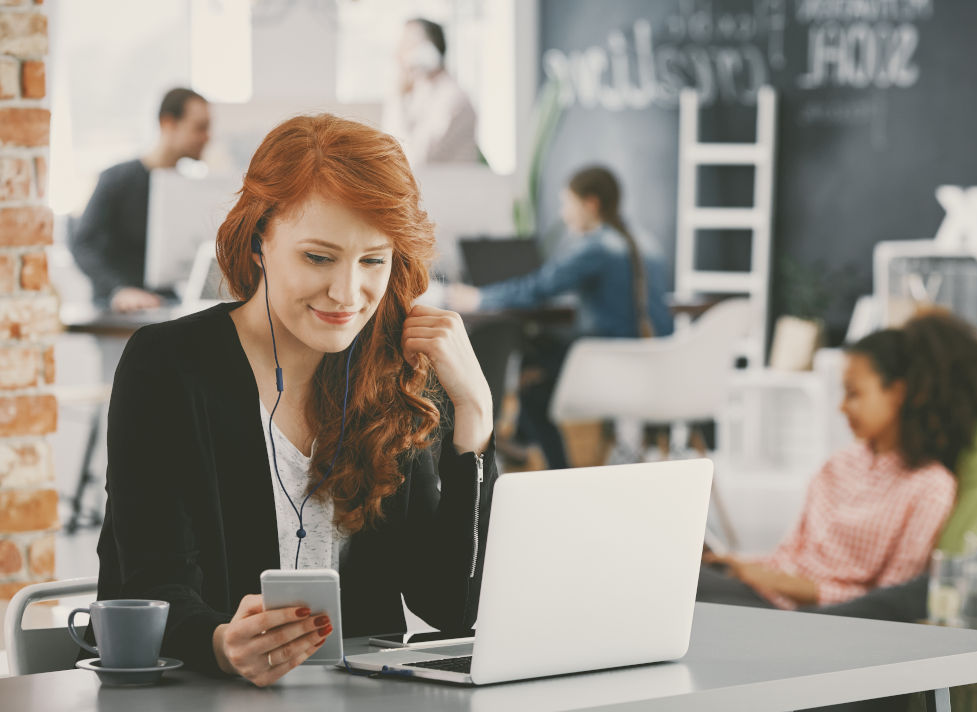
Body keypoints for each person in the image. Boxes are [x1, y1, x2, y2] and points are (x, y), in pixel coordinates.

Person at [92, 114, 497, 687]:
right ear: (259, 241)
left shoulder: (395, 371)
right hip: (201, 697)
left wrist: (474, 414)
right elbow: (151, 584)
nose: (346, 294)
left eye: (373, 260)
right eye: (319, 257)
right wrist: (219, 642)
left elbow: (452, 605)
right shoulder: (169, 365)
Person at [697, 311, 977, 610]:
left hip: (809, 614)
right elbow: (790, 554)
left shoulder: (929, 487)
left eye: (854, 393)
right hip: (762, 593)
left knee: (694, 591)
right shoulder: (839, 465)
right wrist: (741, 565)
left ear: (899, 393)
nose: (842, 407)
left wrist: (772, 580)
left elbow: (890, 601)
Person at [448, 165, 672, 470]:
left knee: (533, 388)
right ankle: (518, 444)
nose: (565, 215)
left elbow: (539, 288)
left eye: (568, 204)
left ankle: (554, 468)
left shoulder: (597, 247)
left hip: (609, 364)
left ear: (590, 204)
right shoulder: (646, 242)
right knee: (537, 364)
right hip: (655, 365)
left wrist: (479, 297)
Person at [71, 87, 212, 312]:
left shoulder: (189, 189)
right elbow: (83, 244)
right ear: (168, 124)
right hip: (118, 309)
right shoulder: (116, 179)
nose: (207, 137)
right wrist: (118, 290)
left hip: (164, 304)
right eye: (199, 128)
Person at [381, 18, 478, 165]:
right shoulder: (420, 93)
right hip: (429, 183)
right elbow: (387, 148)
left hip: (451, 184)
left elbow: (415, 160)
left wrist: (398, 95)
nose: (399, 54)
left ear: (429, 51)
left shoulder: (452, 98)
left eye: (409, 44)